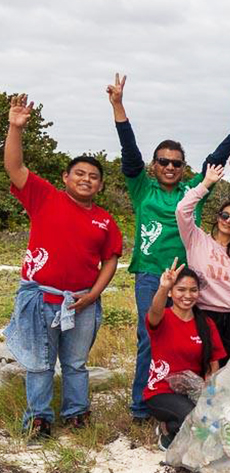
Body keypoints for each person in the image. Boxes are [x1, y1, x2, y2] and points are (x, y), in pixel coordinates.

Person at [107, 74, 230, 421]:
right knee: (149, 337)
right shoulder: (142, 189)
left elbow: (215, 160)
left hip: (187, 279)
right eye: (163, 162)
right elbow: (129, 152)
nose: (170, 167)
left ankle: (187, 398)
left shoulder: (193, 191)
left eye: (176, 162)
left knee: (190, 339)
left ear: (183, 167)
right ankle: (141, 407)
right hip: (150, 274)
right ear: (154, 166)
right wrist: (118, 106)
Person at [3, 94, 123, 436]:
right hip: (41, 296)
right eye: (80, 174)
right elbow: (14, 167)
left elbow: (110, 259)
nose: (87, 179)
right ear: (66, 177)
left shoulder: (104, 219)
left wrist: (93, 295)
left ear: (100, 185)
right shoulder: (45, 197)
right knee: (39, 363)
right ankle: (39, 420)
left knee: (75, 363)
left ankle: (77, 414)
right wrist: (15, 127)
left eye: (94, 176)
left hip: (83, 301)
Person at [174, 164, 230, 359]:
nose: (229, 221)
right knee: (205, 363)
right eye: (225, 215)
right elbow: (182, 210)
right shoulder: (196, 239)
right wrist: (206, 183)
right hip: (205, 313)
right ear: (218, 217)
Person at [145, 261, 226, 450]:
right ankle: (168, 432)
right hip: (161, 392)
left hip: (192, 391)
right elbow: (154, 311)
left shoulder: (205, 323)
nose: (187, 296)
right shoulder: (163, 317)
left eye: (193, 290)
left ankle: (170, 428)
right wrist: (163, 287)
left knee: (217, 419)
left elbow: (214, 361)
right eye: (181, 290)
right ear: (172, 293)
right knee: (195, 418)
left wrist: (210, 390)